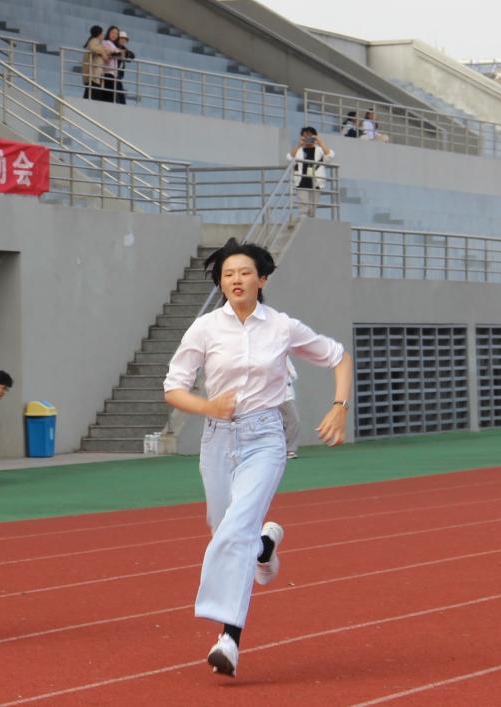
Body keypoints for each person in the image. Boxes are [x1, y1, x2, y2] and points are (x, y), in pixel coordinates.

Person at [163, 237, 352, 677]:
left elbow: (339, 357)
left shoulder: (282, 327)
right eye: (228, 274)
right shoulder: (205, 329)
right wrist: (207, 406)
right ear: (220, 283)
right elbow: (173, 387)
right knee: (224, 531)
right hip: (217, 438)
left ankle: (229, 639)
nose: (236, 280)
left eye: (245, 272)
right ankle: (264, 547)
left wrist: (339, 407)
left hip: (265, 437)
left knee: (235, 531)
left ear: (262, 279)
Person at [287, 126, 334, 218]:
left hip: (316, 182)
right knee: (303, 208)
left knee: (312, 209)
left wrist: (320, 142)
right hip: (301, 181)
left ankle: (309, 221)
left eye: (310, 136)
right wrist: (298, 145)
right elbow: (289, 158)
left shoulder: (320, 150)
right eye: (305, 136)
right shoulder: (299, 150)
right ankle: (302, 221)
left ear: (314, 136)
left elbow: (330, 155)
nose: (308, 138)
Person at [81, 25, 110, 100]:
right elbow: (94, 49)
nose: (103, 35)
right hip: (93, 73)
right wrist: (103, 54)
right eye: (102, 34)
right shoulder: (94, 41)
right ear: (99, 34)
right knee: (94, 94)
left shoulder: (95, 42)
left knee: (89, 94)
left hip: (93, 73)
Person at [280, 359, 301, 459]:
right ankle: (287, 449)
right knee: (288, 421)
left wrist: (288, 371)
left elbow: (295, 375)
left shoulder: (286, 358)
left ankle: (288, 449)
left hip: (287, 395)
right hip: (273, 395)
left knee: (293, 421)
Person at [100, 26, 122, 103]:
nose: (114, 35)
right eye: (113, 32)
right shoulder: (104, 42)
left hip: (113, 73)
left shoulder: (114, 45)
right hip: (107, 72)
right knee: (108, 95)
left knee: (112, 95)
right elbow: (109, 52)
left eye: (116, 34)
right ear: (108, 32)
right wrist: (117, 52)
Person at [114, 30, 135, 105]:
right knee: (119, 96)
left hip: (117, 76)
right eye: (121, 38)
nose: (123, 40)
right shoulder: (113, 46)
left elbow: (132, 56)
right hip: (112, 74)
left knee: (119, 96)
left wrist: (125, 53)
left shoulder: (124, 49)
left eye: (125, 39)